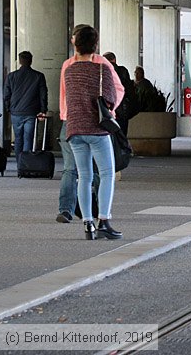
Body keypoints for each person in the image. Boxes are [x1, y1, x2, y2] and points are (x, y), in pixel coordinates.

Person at [61, 26, 124, 239]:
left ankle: (88, 224)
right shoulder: (102, 69)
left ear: (74, 44)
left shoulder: (68, 70)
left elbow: (66, 98)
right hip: (96, 129)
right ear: (95, 46)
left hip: (74, 128)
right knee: (107, 174)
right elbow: (110, 99)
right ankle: (104, 220)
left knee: (84, 176)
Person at [3, 51, 48, 157]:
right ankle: (26, 164)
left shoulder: (11, 76)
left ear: (19, 61)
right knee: (28, 138)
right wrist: (43, 110)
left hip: (16, 112)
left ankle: (19, 164)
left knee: (18, 139)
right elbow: (43, 95)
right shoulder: (39, 76)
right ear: (31, 61)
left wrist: (8, 108)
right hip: (31, 112)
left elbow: (6, 95)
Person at [103, 52, 137, 135]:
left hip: (107, 109)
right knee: (122, 136)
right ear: (114, 60)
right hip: (122, 109)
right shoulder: (123, 71)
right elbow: (130, 91)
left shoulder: (102, 71)